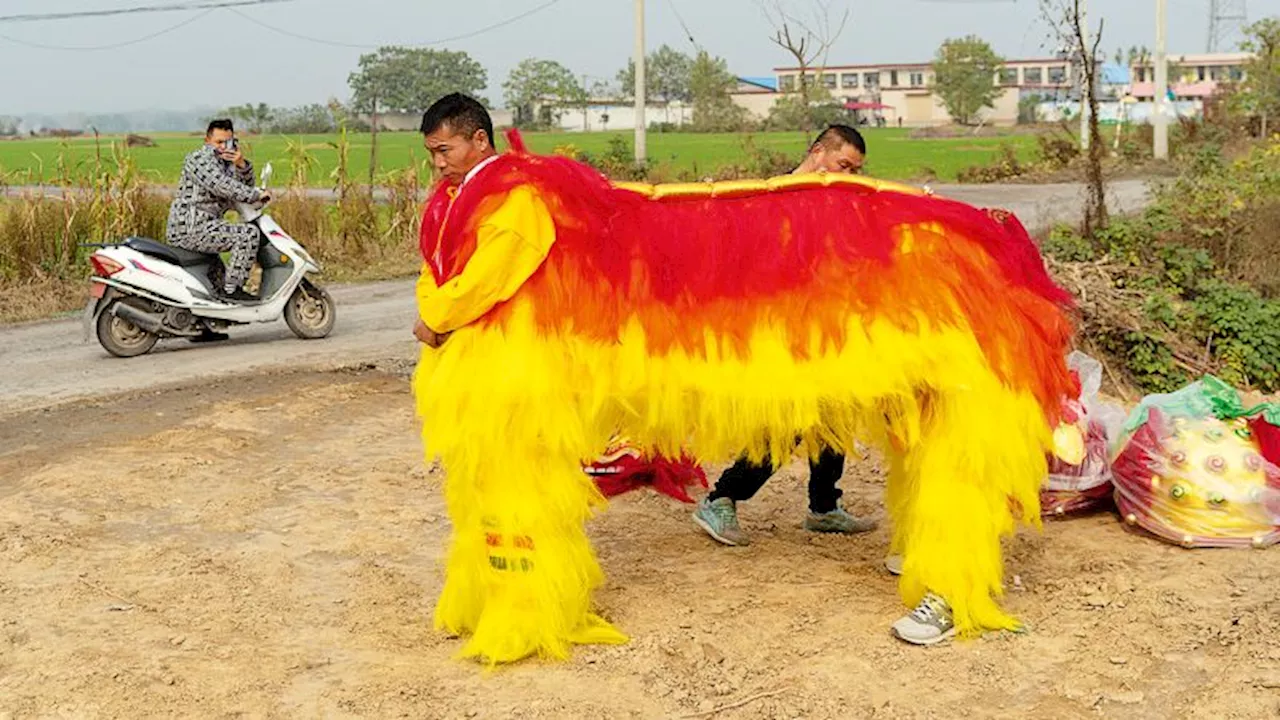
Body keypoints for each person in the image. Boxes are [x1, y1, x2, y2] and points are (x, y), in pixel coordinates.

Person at [411, 94, 1076, 662]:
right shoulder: (467, 198)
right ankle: (504, 596)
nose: (438, 162)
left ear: (477, 140)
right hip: (509, 351)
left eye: (446, 149)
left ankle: (953, 589)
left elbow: (484, 277)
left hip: (836, 332)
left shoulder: (515, 198)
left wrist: (436, 316)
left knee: (914, 431)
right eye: (434, 152)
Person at [693, 124, 874, 547]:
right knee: (792, 421)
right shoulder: (770, 198)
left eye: (855, 170)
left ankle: (824, 506)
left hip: (824, 326)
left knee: (837, 411)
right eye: (843, 165)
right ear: (817, 152)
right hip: (776, 330)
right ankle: (722, 497)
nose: (847, 176)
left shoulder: (835, 204)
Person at [166, 119, 269, 303]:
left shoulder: (226, 164)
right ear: (207, 140)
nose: (223, 147)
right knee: (247, 235)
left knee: (217, 282)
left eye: (227, 142)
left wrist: (241, 164)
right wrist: (255, 195)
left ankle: (211, 322)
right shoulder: (198, 159)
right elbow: (221, 185)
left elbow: (242, 187)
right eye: (219, 142)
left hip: (208, 225)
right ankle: (233, 291)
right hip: (191, 227)